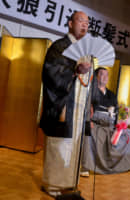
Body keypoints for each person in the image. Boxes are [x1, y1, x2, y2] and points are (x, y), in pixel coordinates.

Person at [40, 11, 92, 197]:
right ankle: (53, 184)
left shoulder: (86, 51)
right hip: (62, 105)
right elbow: (51, 74)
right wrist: (74, 69)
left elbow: (87, 82)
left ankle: (70, 183)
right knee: (60, 145)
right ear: (70, 23)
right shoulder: (59, 46)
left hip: (78, 108)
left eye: (87, 22)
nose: (84, 25)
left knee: (74, 146)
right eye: (80, 21)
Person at [81, 67, 130, 176]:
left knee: (129, 134)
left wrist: (120, 123)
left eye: (107, 75)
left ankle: (128, 164)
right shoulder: (90, 92)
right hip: (96, 124)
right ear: (96, 77)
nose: (105, 77)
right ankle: (86, 166)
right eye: (102, 74)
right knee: (89, 134)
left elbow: (117, 110)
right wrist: (88, 121)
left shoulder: (111, 94)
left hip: (111, 125)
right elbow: (86, 108)